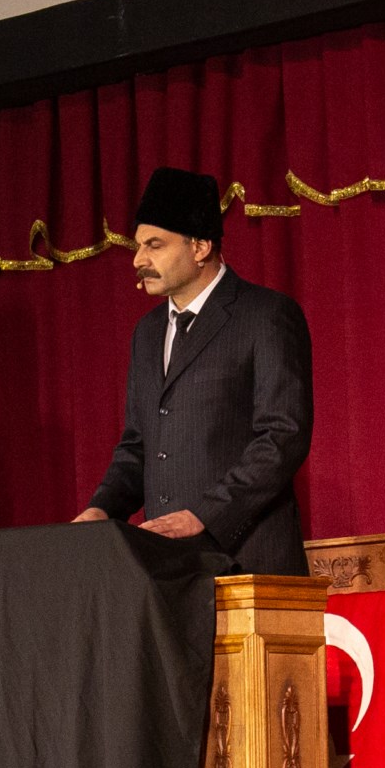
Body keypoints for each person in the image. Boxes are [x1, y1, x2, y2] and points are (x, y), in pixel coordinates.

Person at [75, 166, 316, 576]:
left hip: (249, 562)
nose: (138, 260)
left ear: (201, 246)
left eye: (154, 245)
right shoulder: (148, 333)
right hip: (168, 569)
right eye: (138, 246)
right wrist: (102, 508)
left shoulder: (265, 315)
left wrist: (204, 514)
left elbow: (282, 436)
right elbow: (138, 445)